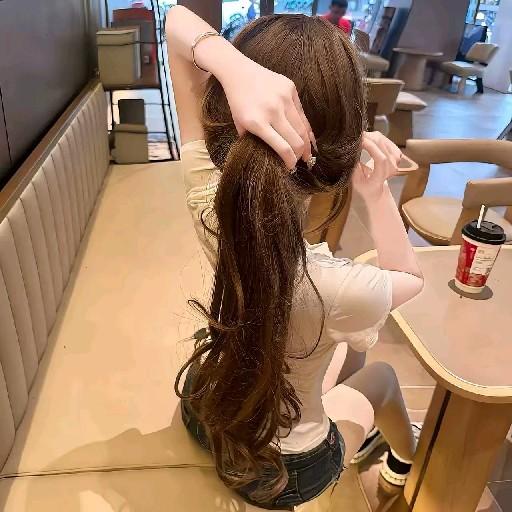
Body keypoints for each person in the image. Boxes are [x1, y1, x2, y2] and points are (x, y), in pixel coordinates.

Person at [167, 6, 424, 510]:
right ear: (342, 152)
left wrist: (234, 67)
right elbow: (409, 277)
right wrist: (376, 195)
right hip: (284, 471)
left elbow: (176, 20)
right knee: (380, 379)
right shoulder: (340, 287)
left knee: (342, 347)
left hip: (205, 411)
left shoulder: (209, 206)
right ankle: (404, 457)